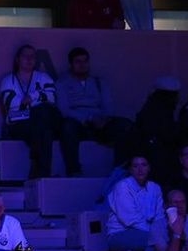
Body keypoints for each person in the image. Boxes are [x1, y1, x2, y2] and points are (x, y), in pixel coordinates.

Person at [56, 48, 136, 176]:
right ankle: (74, 170)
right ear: (71, 64)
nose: (82, 65)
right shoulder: (62, 83)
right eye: (78, 62)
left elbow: (108, 106)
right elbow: (64, 110)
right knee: (67, 127)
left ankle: (120, 169)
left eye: (85, 61)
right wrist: (89, 117)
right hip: (78, 123)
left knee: (126, 125)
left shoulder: (99, 82)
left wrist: (103, 119)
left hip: (100, 123)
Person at [106, 155, 167, 251]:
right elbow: (130, 219)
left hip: (145, 234)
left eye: (144, 165)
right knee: (156, 243)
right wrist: (158, 237)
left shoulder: (155, 188)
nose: (140, 169)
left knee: (155, 244)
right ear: (130, 169)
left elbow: (159, 217)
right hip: (119, 234)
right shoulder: (123, 186)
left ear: (149, 167)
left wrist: (159, 235)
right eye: (135, 166)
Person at [0, 45, 60, 178]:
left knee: (43, 120)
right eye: (25, 56)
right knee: (44, 123)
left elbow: (52, 97)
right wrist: (38, 98)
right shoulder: (8, 80)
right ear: (17, 60)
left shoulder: (44, 77)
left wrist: (31, 97)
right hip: (18, 123)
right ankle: (42, 173)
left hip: (38, 122)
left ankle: (38, 168)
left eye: (32, 56)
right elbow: (11, 104)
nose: (29, 59)